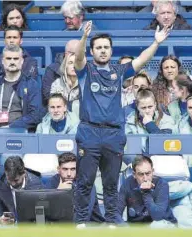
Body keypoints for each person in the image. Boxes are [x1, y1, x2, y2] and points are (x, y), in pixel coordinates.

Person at [73, 21, 170, 226]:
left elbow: (142, 60)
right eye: (98, 47)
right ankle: (80, 223)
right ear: (92, 50)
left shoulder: (119, 71)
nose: (102, 50)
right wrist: (83, 37)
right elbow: (78, 57)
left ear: (111, 50)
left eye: (106, 47)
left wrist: (156, 42)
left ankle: (111, 223)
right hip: (89, 132)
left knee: (110, 184)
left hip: (113, 134)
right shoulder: (86, 70)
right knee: (84, 182)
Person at [0, 45, 42, 132]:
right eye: (8, 58)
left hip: (18, 132)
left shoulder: (31, 85)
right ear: (2, 61)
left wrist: (10, 128)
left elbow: (35, 115)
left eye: (16, 59)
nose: (12, 62)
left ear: (22, 61)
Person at [45, 152, 105, 223]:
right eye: (65, 169)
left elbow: (84, 215)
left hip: (90, 225)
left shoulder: (86, 183)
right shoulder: (51, 182)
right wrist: (58, 193)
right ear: (58, 169)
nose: (69, 174)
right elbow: (47, 214)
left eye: (73, 169)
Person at [118, 155, 176, 226]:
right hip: (138, 227)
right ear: (134, 174)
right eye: (141, 174)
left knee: (156, 226)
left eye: (148, 173)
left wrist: (145, 192)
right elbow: (116, 211)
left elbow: (158, 216)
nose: (145, 179)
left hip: (163, 224)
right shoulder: (128, 183)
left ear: (152, 172)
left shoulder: (161, 185)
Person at [0, 156, 43, 224]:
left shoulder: (37, 185)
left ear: (24, 173)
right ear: (6, 174)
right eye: (9, 179)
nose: (12, 184)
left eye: (16, 180)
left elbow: (42, 213)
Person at [42, 39, 79, 106]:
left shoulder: (87, 68)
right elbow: (47, 95)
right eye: (75, 53)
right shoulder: (52, 69)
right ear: (66, 54)